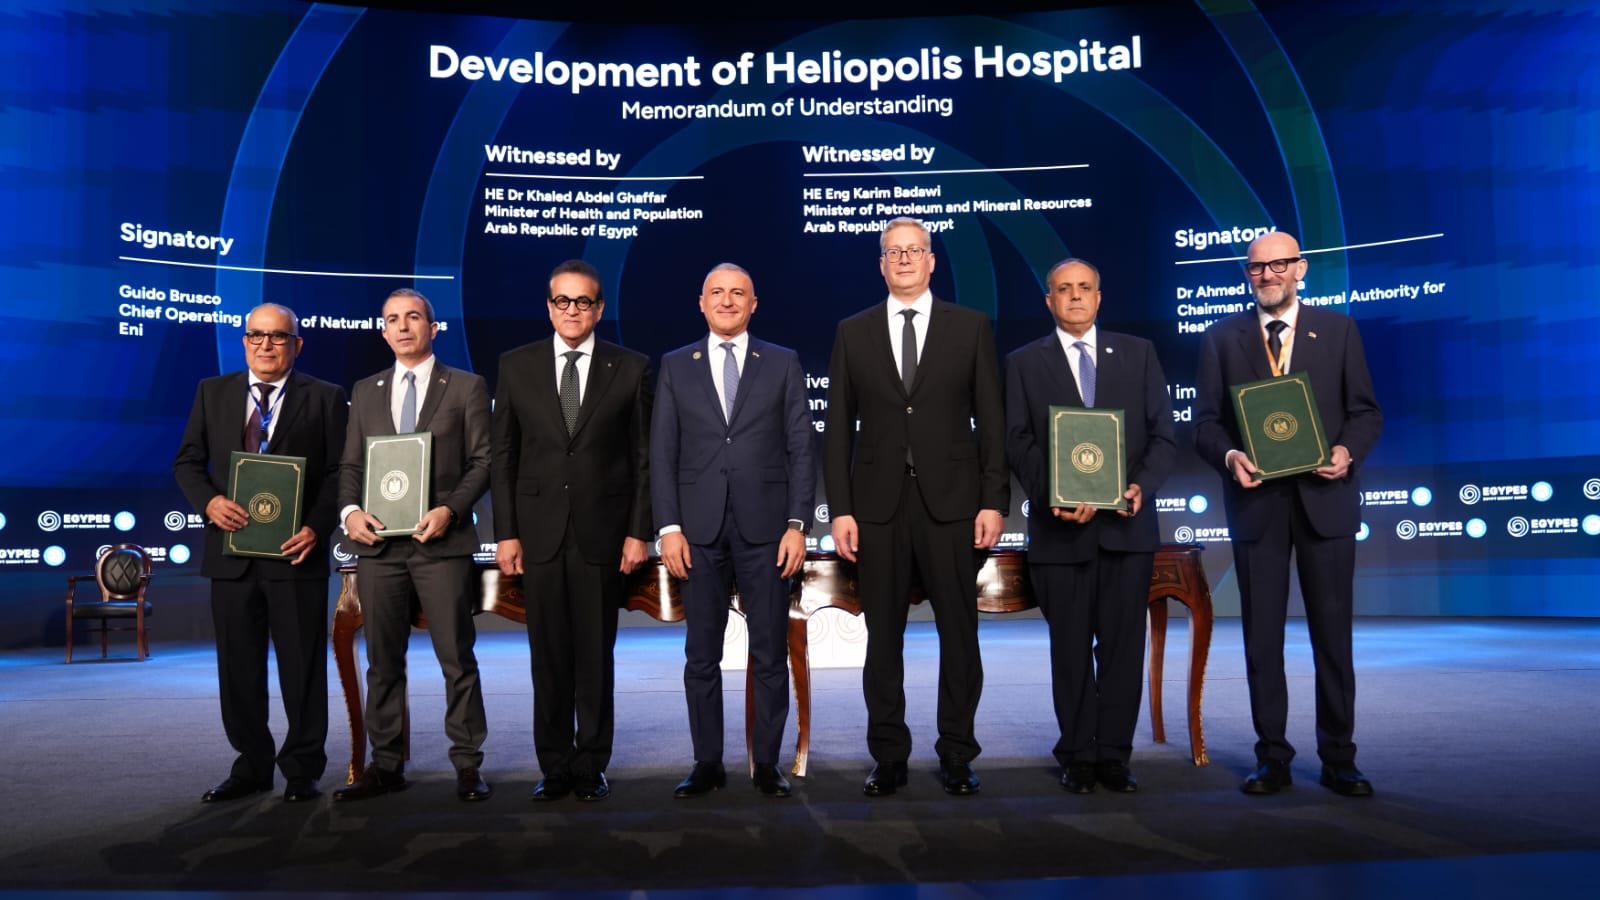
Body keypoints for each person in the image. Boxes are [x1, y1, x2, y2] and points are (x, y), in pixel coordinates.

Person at [823, 217, 1009, 797]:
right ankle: (889, 755)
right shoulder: (852, 331)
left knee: (960, 634)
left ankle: (957, 752)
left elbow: (992, 421)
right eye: (893, 252)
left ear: (932, 261)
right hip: (877, 508)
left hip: (953, 505)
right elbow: (837, 428)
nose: (904, 259)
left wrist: (994, 500)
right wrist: (840, 509)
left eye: (915, 250)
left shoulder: (970, 327)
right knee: (883, 637)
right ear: (881, 265)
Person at [1193, 231, 1383, 797]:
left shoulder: (1339, 330)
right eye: (1257, 267)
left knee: (1333, 637)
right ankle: (1272, 756)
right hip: (1258, 505)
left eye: (1279, 265)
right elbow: (1205, 424)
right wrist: (1230, 457)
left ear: (1300, 268)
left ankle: (1339, 757)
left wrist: (1346, 452)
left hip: (1327, 502)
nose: (1268, 275)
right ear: (1247, 275)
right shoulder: (1221, 338)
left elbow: (1366, 413)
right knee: (1262, 639)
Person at [1004, 258, 1177, 794]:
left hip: (1127, 529)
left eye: (1084, 288)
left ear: (1099, 297)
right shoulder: (1022, 363)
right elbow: (1017, 440)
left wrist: (1139, 487)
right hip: (1060, 534)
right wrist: (1054, 495)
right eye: (1064, 289)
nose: (1075, 296)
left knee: (1123, 648)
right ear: (1049, 301)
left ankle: (1115, 755)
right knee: (1071, 649)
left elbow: (1163, 435)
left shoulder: (1138, 354)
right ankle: (1078, 753)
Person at [650, 263, 815, 799]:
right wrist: (668, 527)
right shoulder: (676, 365)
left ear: (753, 303)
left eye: (737, 293)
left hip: (767, 529)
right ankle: (707, 762)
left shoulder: (782, 361)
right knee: (701, 654)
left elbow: (800, 448)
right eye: (717, 293)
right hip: (696, 532)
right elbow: (662, 453)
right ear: (701, 303)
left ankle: (766, 763)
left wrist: (797, 524)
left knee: (769, 651)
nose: (727, 301)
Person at [491, 259, 652, 803]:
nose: (572, 311)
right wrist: (506, 533)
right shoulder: (516, 366)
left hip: (603, 534)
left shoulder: (630, 368)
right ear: (549, 307)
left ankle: (591, 764)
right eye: (563, 301)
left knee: (594, 655)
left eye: (583, 302)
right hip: (537, 534)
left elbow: (642, 457)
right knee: (549, 655)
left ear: (599, 309)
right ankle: (555, 765)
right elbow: (504, 455)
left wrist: (638, 531)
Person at [174, 303, 348, 804]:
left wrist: (317, 527)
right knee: (239, 670)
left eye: (278, 336)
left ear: (297, 344)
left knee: (302, 668)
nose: (266, 345)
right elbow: (187, 462)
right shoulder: (212, 392)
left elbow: (340, 471)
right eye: (256, 335)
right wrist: (210, 502)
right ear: (244, 341)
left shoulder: (325, 396)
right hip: (231, 557)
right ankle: (251, 766)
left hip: (296, 555)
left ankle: (302, 768)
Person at [333, 288, 493, 803]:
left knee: (456, 659)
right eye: (392, 320)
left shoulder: (466, 386)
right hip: (379, 549)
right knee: (382, 662)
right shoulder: (366, 390)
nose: (403, 327)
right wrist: (349, 513)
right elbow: (351, 465)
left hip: (441, 545)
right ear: (384, 332)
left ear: (432, 327)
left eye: (413, 318)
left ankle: (467, 765)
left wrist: (450, 510)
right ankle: (385, 765)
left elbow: (483, 461)